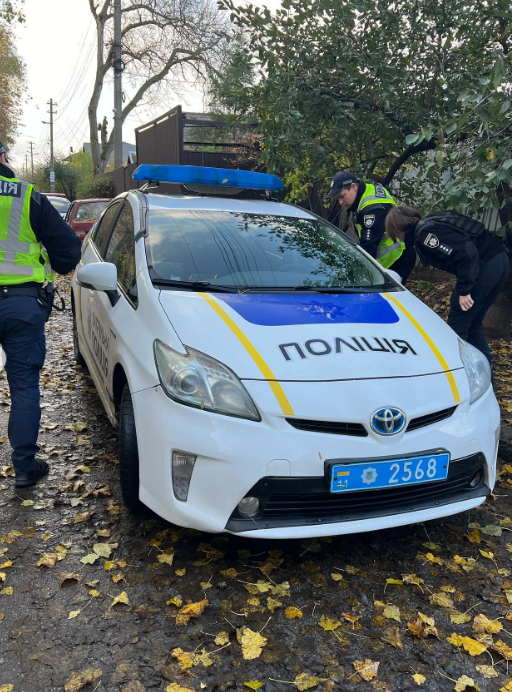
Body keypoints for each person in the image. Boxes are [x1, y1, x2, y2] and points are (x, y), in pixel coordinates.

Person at [0, 140, 81, 487]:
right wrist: (59, 267)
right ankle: (24, 468)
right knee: (23, 388)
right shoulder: (25, 195)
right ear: (3, 158)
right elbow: (67, 250)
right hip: (21, 305)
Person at [385, 204, 509, 366]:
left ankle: (456, 375)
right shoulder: (430, 223)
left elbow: (467, 252)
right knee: (472, 325)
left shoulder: (425, 234)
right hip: (499, 261)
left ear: (397, 228)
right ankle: (485, 379)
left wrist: (465, 290)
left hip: (485, 267)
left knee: (457, 327)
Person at [327, 171, 416, 283]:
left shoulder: (373, 210)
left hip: (397, 259)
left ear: (353, 186)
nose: (340, 202)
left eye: (342, 196)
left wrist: (349, 272)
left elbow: (368, 248)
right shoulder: (368, 190)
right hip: (395, 257)